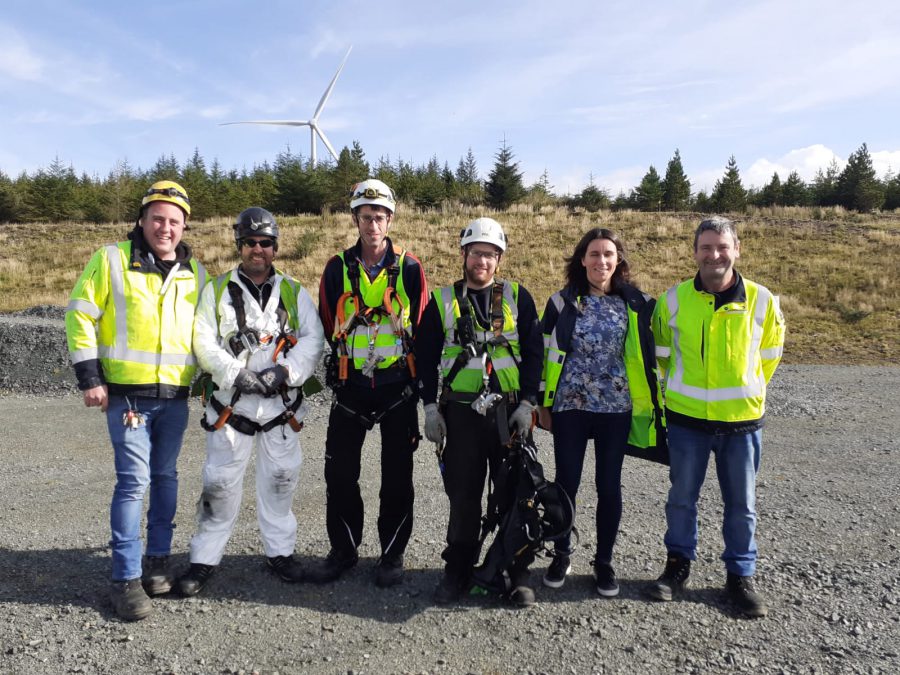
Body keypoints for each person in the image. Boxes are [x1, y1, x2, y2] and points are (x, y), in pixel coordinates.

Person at [65, 180, 206, 621]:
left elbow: (207, 334)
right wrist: (90, 376)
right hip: (127, 398)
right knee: (133, 482)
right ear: (142, 220)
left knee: (166, 477)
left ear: (184, 227)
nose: (165, 228)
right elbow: (80, 314)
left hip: (175, 397)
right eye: (158, 219)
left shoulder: (196, 274)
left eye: (174, 221)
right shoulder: (110, 260)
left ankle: (158, 561)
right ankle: (124, 578)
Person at [176, 207, 324, 596]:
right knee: (220, 485)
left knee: (280, 482)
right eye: (250, 243)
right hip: (231, 409)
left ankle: (281, 554)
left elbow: (313, 339)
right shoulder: (217, 290)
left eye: (265, 243)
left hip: (280, 410)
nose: (257, 250)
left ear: (275, 247)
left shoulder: (293, 292)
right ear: (239, 245)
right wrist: (233, 374)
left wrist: (285, 373)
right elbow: (203, 339)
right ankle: (203, 560)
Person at [648, 216, 785, 618]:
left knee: (741, 504)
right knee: (681, 499)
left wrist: (745, 390)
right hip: (687, 419)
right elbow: (662, 355)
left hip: (741, 423)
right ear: (695, 253)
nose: (714, 255)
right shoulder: (672, 301)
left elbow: (770, 356)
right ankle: (676, 567)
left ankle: (740, 576)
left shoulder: (763, 301)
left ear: (737, 249)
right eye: (706, 248)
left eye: (722, 247)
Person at [416, 217, 544, 607]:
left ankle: (518, 573)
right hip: (461, 414)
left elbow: (535, 353)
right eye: (476, 254)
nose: (482, 262)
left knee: (516, 495)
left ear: (499, 259)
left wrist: (527, 403)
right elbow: (424, 356)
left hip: (509, 415)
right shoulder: (441, 301)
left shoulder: (519, 298)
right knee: (465, 497)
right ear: (464, 255)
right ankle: (457, 570)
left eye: (490, 255)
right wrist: (429, 408)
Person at [312, 179, 427, 587]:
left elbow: (423, 324)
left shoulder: (410, 268)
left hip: (397, 386)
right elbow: (329, 321)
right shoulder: (337, 268)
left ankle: (392, 555)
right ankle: (343, 550)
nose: (372, 225)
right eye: (365, 217)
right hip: (351, 386)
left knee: (397, 475)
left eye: (379, 217)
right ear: (356, 220)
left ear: (390, 219)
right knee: (340, 474)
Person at [538, 228, 665, 596]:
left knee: (609, 486)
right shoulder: (561, 302)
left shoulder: (639, 304)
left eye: (609, 254)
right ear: (582, 260)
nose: (601, 261)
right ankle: (562, 553)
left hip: (616, 407)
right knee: (567, 484)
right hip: (570, 406)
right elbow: (546, 354)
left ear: (618, 260)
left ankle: (605, 562)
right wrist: (545, 404)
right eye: (594, 254)